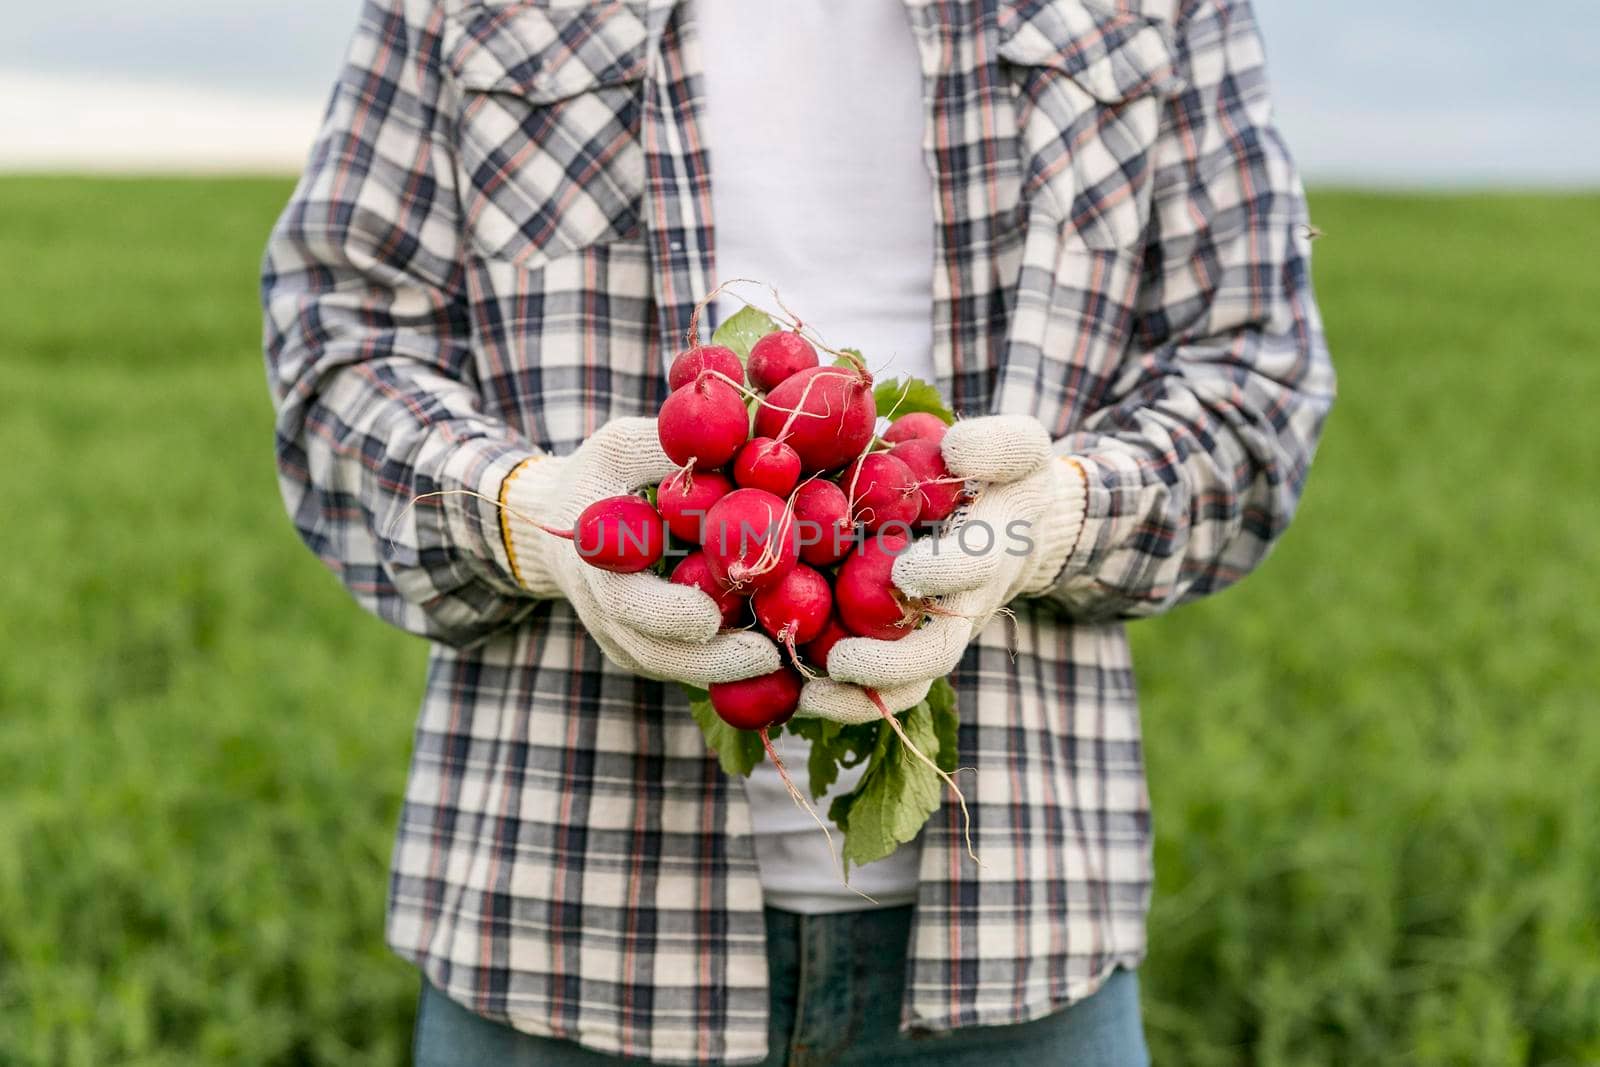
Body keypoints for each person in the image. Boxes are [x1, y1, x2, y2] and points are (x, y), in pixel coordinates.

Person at [261, 0, 1333, 1061]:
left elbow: (1254, 378)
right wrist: (524, 516)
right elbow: (337, 352)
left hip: (1024, 948)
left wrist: (1067, 513)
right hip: (558, 931)